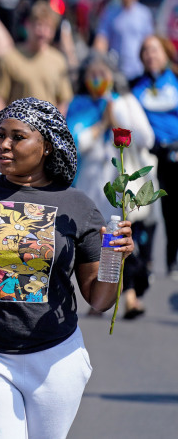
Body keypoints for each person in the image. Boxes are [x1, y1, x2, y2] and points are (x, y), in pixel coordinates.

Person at [0, 97, 134, 438]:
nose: (3, 144)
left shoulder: (78, 206)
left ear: (47, 146)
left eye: (17, 137)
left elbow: (99, 300)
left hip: (56, 359)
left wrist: (115, 259)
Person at [67, 53, 156, 317]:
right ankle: (103, 297)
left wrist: (116, 121)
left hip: (121, 188)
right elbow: (76, 144)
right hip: (91, 189)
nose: (97, 80)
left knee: (121, 243)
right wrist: (102, 123)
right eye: (91, 74)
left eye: (102, 74)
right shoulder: (79, 104)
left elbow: (145, 138)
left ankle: (127, 297)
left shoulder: (125, 103)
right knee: (96, 248)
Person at [130, 35, 178, 278]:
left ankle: (173, 258)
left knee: (174, 208)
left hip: (175, 152)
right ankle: (144, 258)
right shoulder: (135, 84)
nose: (151, 55)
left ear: (166, 53)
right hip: (147, 155)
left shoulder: (175, 79)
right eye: (146, 51)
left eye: (155, 50)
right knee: (145, 207)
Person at [0, 0, 73, 113]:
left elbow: (63, 100)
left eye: (48, 27)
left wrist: (56, 126)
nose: (42, 32)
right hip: (19, 126)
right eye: (39, 25)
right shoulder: (10, 58)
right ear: (28, 25)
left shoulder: (58, 60)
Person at [94, 0, 154, 83]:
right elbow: (102, 39)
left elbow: (149, 40)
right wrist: (98, 60)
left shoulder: (144, 13)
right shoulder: (110, 12)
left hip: (139, 70)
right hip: (116, 71)